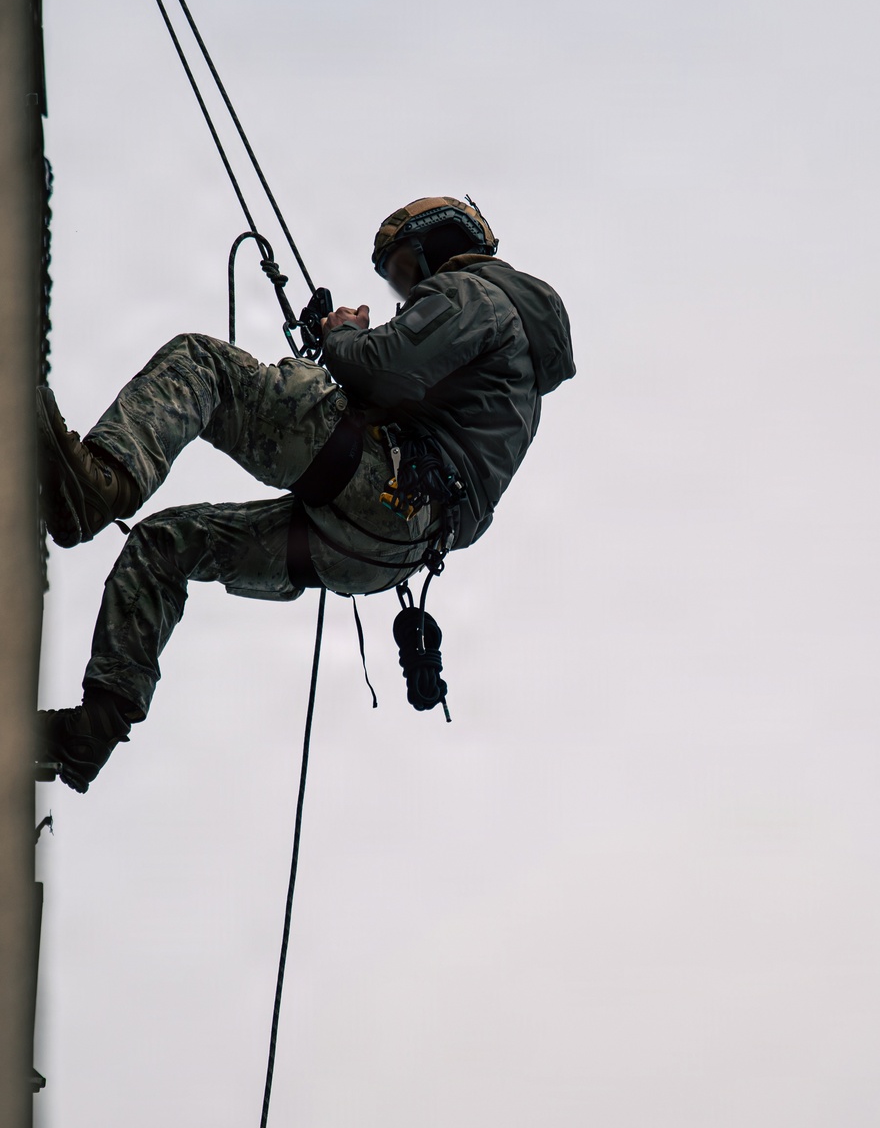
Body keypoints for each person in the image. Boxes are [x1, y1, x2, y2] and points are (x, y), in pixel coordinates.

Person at [37, 196, 574, 791]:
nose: (403, 290)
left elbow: (382, 369)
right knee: (165, 545)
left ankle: (99, 486)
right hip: (376, 557)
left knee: (202, 364)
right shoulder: (519, 383)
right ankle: (95, 729)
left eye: (401, 268)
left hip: (371, 480)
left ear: (441, 244)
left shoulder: (476, 295)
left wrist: (344, 338)